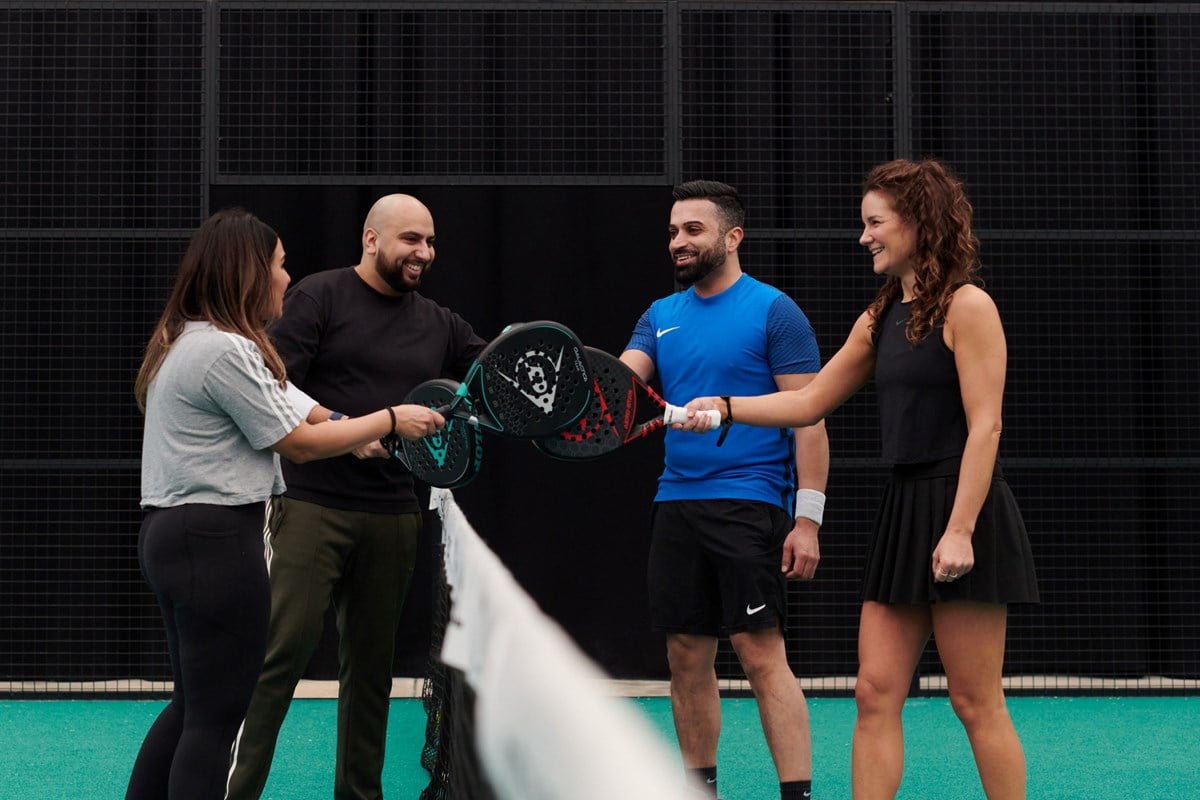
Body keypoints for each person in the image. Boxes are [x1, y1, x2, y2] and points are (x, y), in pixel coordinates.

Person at [682, 159, 1039, 800]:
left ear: (918, 223)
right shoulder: (880, 315)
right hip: (903, 510)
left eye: (875, 223)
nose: (864, 236)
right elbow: (809, 401)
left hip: (964, 506)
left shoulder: (970, 306)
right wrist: (727, 406)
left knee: (974, 700)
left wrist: (960, 530)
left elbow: (986, 428)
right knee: (874, 692)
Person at [128, 208, 445, 800]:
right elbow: (297, 442)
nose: (286, 277)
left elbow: (295, 403)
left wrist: (352, 428)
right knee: (215, 718)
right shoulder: (225, 351)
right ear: (248, 273)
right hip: (214, 542)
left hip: (176, 536)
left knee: (192, 706)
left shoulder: (193, 340)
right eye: (278, 265)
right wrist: (391, 419)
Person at [226, 194, 487, 800]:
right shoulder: (318, 296)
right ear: (371, 240)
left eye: (430, 241)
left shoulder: (440, 322)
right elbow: (271, 383)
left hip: (395, 516)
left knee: (371, 674)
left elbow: (494, 373)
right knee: (280, 659)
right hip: (311, 504)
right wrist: (349, 429)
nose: (424, 252)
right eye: (410, 239)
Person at [621, 180, 830, 800]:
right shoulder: (658, 315)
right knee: (685, 654)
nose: (678, 242)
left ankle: (796, 794)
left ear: (732, 237)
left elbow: (810, 418)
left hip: (750, 503)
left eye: (693, 230)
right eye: (672, 232)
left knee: (760, 654)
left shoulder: (774, 311)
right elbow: (619, 387)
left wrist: (807, 520)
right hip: (675, 504)